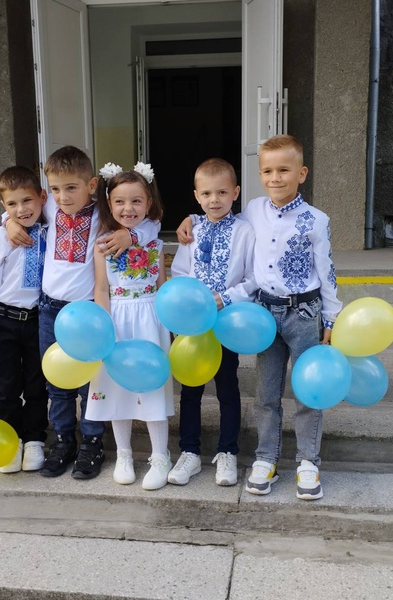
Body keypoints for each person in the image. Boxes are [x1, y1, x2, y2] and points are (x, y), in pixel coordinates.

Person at [177, 135, 342, 500]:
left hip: (304, 313)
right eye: (267, 171)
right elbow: (218, 215)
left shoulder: (316, 221)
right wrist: (190, 218)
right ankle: (266, 457)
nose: (275, 178)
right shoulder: (253, 210)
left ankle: (308, 461)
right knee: (266, 393)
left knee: (308, 391)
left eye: (284, 170)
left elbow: (327, 271)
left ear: (301, 173)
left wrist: (331, 317)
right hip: (265, 313)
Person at [4, 146, 159, 479]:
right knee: (57, 381)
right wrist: (7, 222)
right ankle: (63, 442)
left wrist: (129, 233)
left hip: (88, 311)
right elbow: (21, 207)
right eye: (56, 189)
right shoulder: (49, 207)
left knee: (90, 382)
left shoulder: (104, 212)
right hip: (50, 310)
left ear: (91, 185)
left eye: (71, 188)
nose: (63, 197)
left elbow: (150, 226)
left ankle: (92, 443)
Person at [167, 158, 257, 487]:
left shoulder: (246, 231)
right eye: (206, 194)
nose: (214, 200)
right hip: (194, 325)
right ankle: (189, 452)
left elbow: (253, 278)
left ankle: (227, 451)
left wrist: (226, 298)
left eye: (221, 192)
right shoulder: (192, 230)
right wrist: (187, 304)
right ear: (196, 196)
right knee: (190, 389)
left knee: (227, 387)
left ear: (236, 192)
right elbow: (179, 273)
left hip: (226, 322)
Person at [86, 162, 175, 491]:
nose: (129, 208)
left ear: (148, 203)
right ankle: (123, 453)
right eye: (120, 201)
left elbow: (162, 286)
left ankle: (160, 455)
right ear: (109, 204)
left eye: (137, 200)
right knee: (117, 387)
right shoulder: (102, 245)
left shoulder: (155, 243)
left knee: (152, 386)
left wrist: (169, 324)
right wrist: (104, 328)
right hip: (117, 320)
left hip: (150, 319)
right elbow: (101, 289)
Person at [0, 166, 49, 474]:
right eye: (12, 205)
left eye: (27, 201)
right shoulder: (1, 236)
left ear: (42, 197)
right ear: (3, 206)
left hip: (38, 320)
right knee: (6, 386)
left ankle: (35, 439)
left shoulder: (52, 229)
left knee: (36, 384)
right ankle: (11, 440)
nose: (21, 209)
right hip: (4, 319)